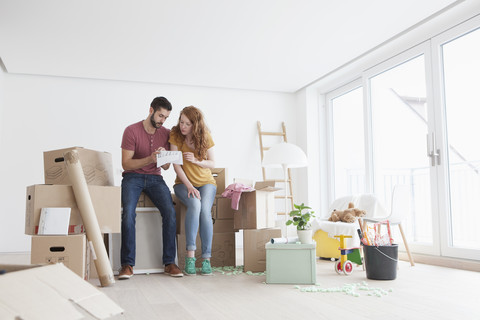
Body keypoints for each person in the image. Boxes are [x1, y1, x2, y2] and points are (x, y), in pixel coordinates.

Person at [119, 96, 183, 279]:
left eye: (166, 118)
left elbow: (166, 167)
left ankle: (170, 263)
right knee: (128, 213)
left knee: (170, 212)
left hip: (155, 178)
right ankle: (127, 264)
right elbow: (126, 164)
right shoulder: (131, 131)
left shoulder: (167, 133)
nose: (162, 121)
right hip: (133, 177)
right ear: (151, 110)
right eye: (160, 116)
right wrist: (150, 159)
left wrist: (162, 158)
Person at [169, 106, 216, 276]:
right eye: (181, 122)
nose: (183, 126)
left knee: (204, 211)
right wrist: (188, 185)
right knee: (195, 205)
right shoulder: (175, 134)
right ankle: (190, 257)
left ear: (195, 125)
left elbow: (212, 163)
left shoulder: (205, 136)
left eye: (187, 124)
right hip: (183, 183)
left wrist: (197, 161)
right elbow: (176, 164)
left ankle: (206, 259)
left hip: (206, 183)